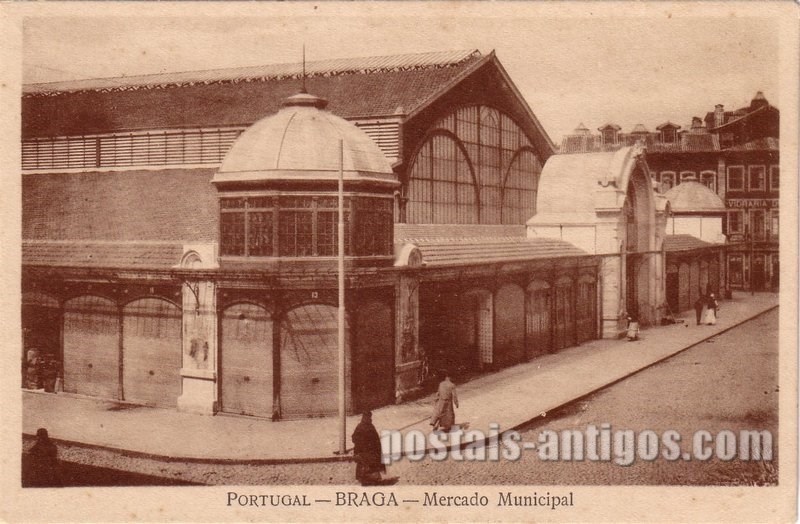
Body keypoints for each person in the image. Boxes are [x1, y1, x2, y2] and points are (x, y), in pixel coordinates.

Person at [351, 411, 386, 486]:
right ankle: (369, 479)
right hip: (369, 452)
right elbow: (376, 440)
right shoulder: (369, 426)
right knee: (369, 465)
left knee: (364, 465)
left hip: (363, 451)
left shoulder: (360, 426)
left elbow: (354, 438)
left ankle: (364, 478)